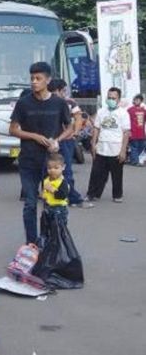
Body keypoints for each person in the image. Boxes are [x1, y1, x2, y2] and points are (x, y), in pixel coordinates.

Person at [9, 62, 72, 245]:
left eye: (38, 79)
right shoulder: (23, 103)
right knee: (30, 203)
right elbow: (13, 129)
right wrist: (34, 136)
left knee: (51, 203)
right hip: (28, 160)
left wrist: (57, 141)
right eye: (32, 79)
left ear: (48, 80)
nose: (34, 82)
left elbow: (70, 127)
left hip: (51, 163)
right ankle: (32, 243)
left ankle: (50, 241)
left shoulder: (59, 103)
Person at [47, 79, 92, 208]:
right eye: (63, 90)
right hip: (57, 141)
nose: (64, 92)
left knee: (58, 169)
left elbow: (78, 118)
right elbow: (77, 118)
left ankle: (65, 197)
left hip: (57, 141)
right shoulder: (59, 102)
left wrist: (75, 132)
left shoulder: (66, 102)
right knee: (57, 169)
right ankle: (64, 197)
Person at [86, 87, 131, 203]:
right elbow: (96, 128)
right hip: (101, 148)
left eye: (113, 98)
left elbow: (126, 133)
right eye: (109, 97)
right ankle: (92, 194)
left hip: (116, 149)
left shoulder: (123, 114)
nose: (111, 100)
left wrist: (123, 151)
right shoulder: (101, 111)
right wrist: (93, 144)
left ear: (118, 99)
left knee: (116, 175)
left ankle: (117, 195)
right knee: (96, 173)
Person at [42, 153, 71, 225]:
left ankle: (60, 236)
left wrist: (52, 190)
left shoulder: (62, 182)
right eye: (49, 168)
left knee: (58, 228)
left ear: (63, 167)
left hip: (59, 208)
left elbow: (62, 195)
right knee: (47, 226)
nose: (52, 170)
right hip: (48, 206)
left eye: (56, 168)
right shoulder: (47, 180)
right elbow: (45, 192)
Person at [127, 94, 146, 166]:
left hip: (142, 133)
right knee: (134, 147)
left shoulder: (144, 110)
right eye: (136, 99)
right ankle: (135, 161)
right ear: (134, 101)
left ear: (141, 101)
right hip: (133, 133)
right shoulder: (130, 110)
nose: (137, 101)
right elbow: (126, 121)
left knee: (141, 147)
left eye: (139, 100)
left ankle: (133, 159)